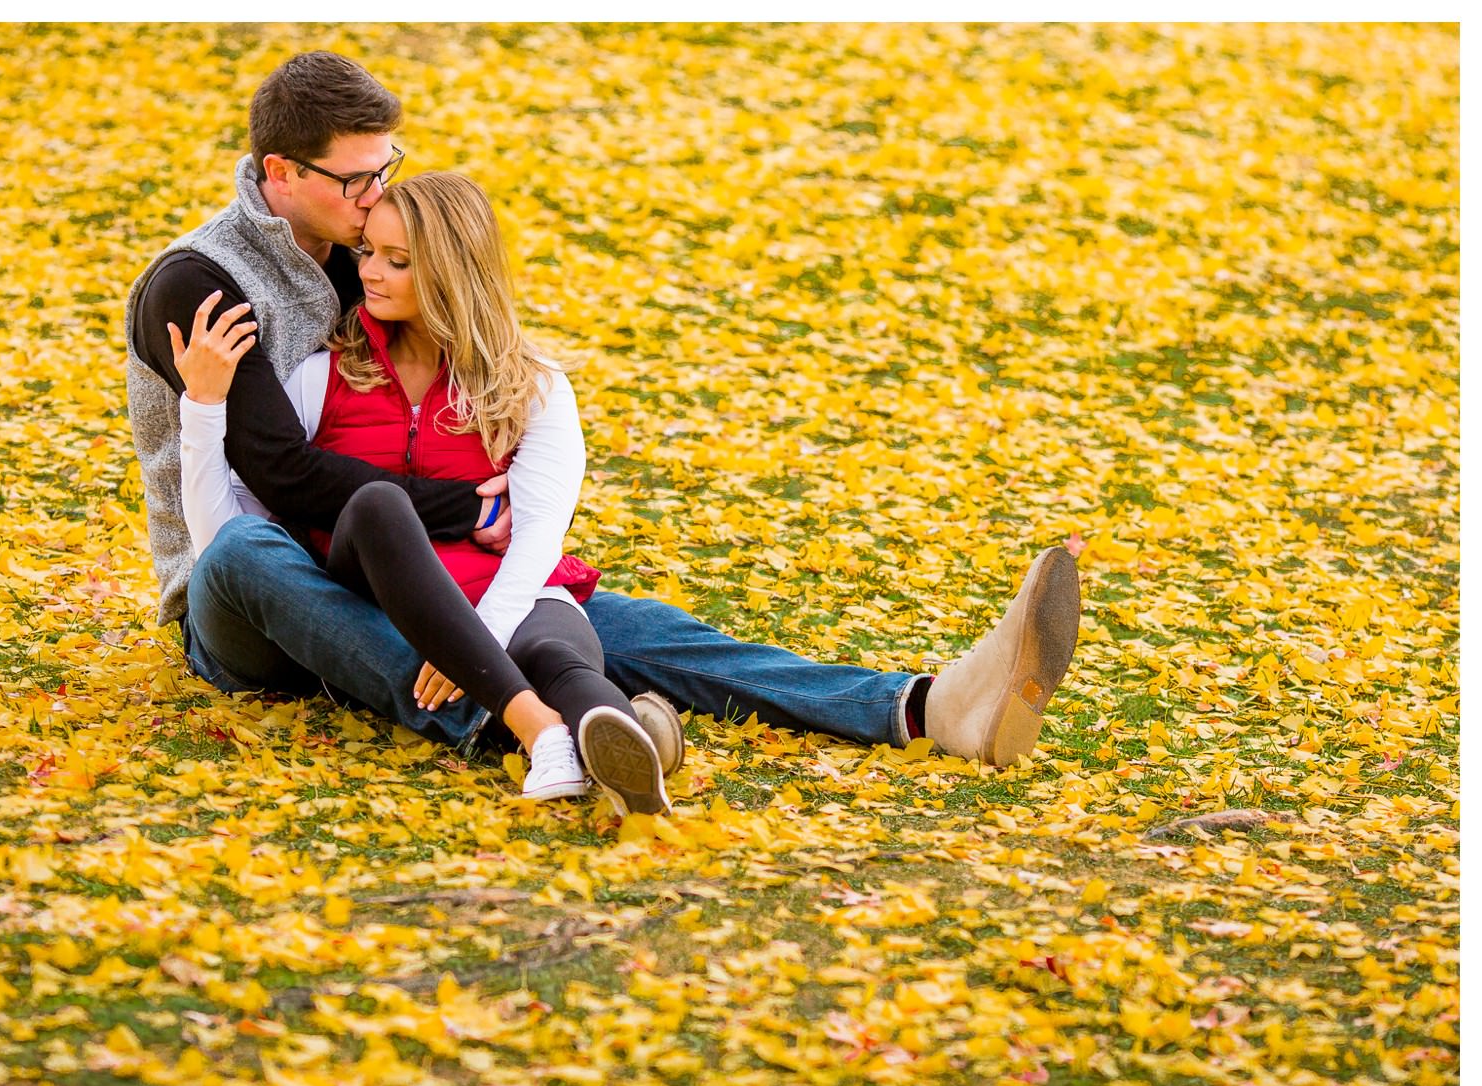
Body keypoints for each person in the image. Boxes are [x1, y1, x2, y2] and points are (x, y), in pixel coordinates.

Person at [123, 51, 1080, 780]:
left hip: (396, 569)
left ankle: (919, 707)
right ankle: (521, 722)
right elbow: (278, 481)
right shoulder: (202, 284)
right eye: (358, 185)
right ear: (281, 173)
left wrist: (488, 553)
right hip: (262, 581)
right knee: (264, 557)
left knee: (599, 616)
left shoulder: (351, 247)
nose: (378, 213)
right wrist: (461, 516)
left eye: (387, 179)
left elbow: (459, 320)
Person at [168, 172, 672, 814]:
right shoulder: (324, 374)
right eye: (368, 253)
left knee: (558, 654)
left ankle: (628, 754)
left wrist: (476, 642)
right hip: (370, 598)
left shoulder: (532, 385)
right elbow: (231, 547)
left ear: (453, 274)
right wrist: (204, 408)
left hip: (503, 592)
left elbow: (540, 537)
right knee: (379, 503)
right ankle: (540, 732)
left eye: (397, 261)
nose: (370, 273)